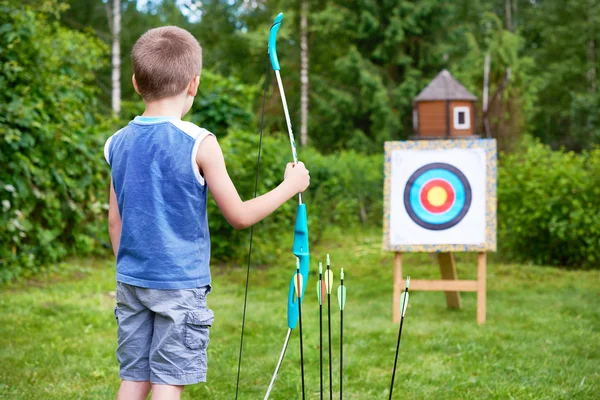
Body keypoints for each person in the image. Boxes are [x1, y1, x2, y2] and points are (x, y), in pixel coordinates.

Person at [104, 26, 310, 400]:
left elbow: (115, 220)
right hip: (180, 284)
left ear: (135, 83)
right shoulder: (200, 142)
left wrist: (132, 268)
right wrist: (289, 187)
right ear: (193, 84)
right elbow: (240, 216)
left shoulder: (116, 142)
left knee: (134, 376)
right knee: (168, 379)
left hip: (131, 279)